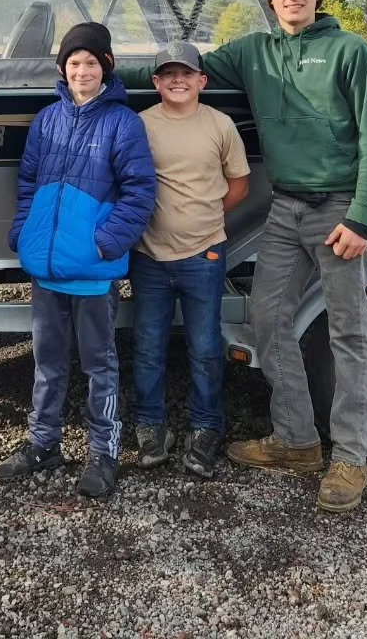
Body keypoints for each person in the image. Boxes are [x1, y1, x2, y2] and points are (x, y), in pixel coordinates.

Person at [118, 0, 367, 513]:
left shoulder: (350, 50)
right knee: (267, 318)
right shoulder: (253, 53)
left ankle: (350, 458)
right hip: (285, 210)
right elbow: (178, 70)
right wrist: (89, 72)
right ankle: (296, 440)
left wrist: (361, 215)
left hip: (338, 210)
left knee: (349, 333)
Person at [0, 21, 156, 499]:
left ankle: (103, 453)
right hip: (46, 270)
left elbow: (140, 192)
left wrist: (105, 243)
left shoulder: (124, 123)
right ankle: (44, 443)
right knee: (47, 364)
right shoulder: (47, 120)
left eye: (90, 62)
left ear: (106, 67)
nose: (81, 70)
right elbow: (27, 185)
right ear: (63, 69)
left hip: (91, 273)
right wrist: (25, 233)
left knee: (99, 366)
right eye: (73, 63)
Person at [130, 40, 250, 479]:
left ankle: (206, 429)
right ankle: (149, 425)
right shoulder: (139, 125)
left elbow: (239, 184)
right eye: (168, 73)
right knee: (147, 346)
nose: (177, 80)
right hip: (148, 257)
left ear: (202, 81)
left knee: (203, 348)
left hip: (205, 253)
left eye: (186, 73)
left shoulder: (220, 125)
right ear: (156, 82)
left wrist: (205, 220)